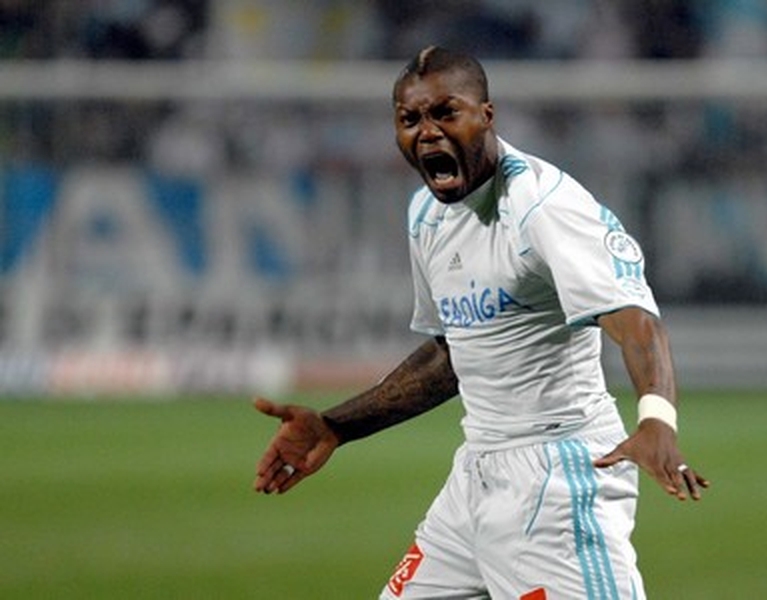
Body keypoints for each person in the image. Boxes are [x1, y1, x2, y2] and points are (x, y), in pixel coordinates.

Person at [253, 46, 709, 599]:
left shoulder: (543, 206)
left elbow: (636, 321)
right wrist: (337, 425)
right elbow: (454, 353)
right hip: (476, 476)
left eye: (446, 112)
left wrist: (657, 419)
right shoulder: (426, 214)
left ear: (486, 116)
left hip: (561, 478)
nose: (427, 131)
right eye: (410, 119)